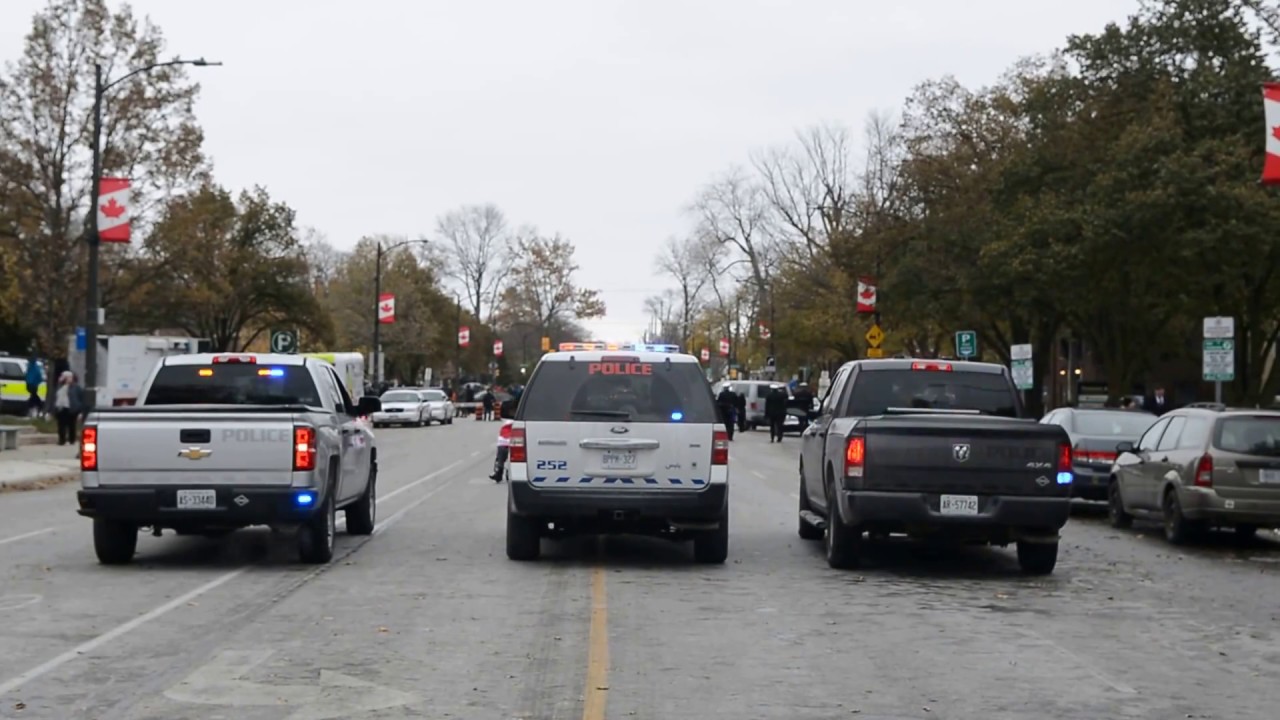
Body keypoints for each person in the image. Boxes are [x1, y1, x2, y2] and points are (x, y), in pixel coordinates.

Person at [53, 371, 84, 446]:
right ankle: (62, 439)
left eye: (67, 377)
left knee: (71, 425)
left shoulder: (76, 387)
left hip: (71, 408)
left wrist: (80, 410)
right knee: (61, 425)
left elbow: (80, 398)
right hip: (61, 407)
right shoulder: (60, 386)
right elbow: (56, 396)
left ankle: (71, 439)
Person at [490, 418, 514, 482]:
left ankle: (498, 473)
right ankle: (500, 473)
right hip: (508, 445)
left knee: (500, 460)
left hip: (503, 445)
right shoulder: (515, 427)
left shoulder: (504, 428)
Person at [25, 354, 44, 419]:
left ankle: (33, 406)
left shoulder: (31, 366)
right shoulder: (35, 367)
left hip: (31, 384)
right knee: (34, 396)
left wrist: (28, 381)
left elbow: (28, 375)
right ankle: (38, 407)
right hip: (33, 384)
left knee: (33, 396)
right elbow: (38, 376)